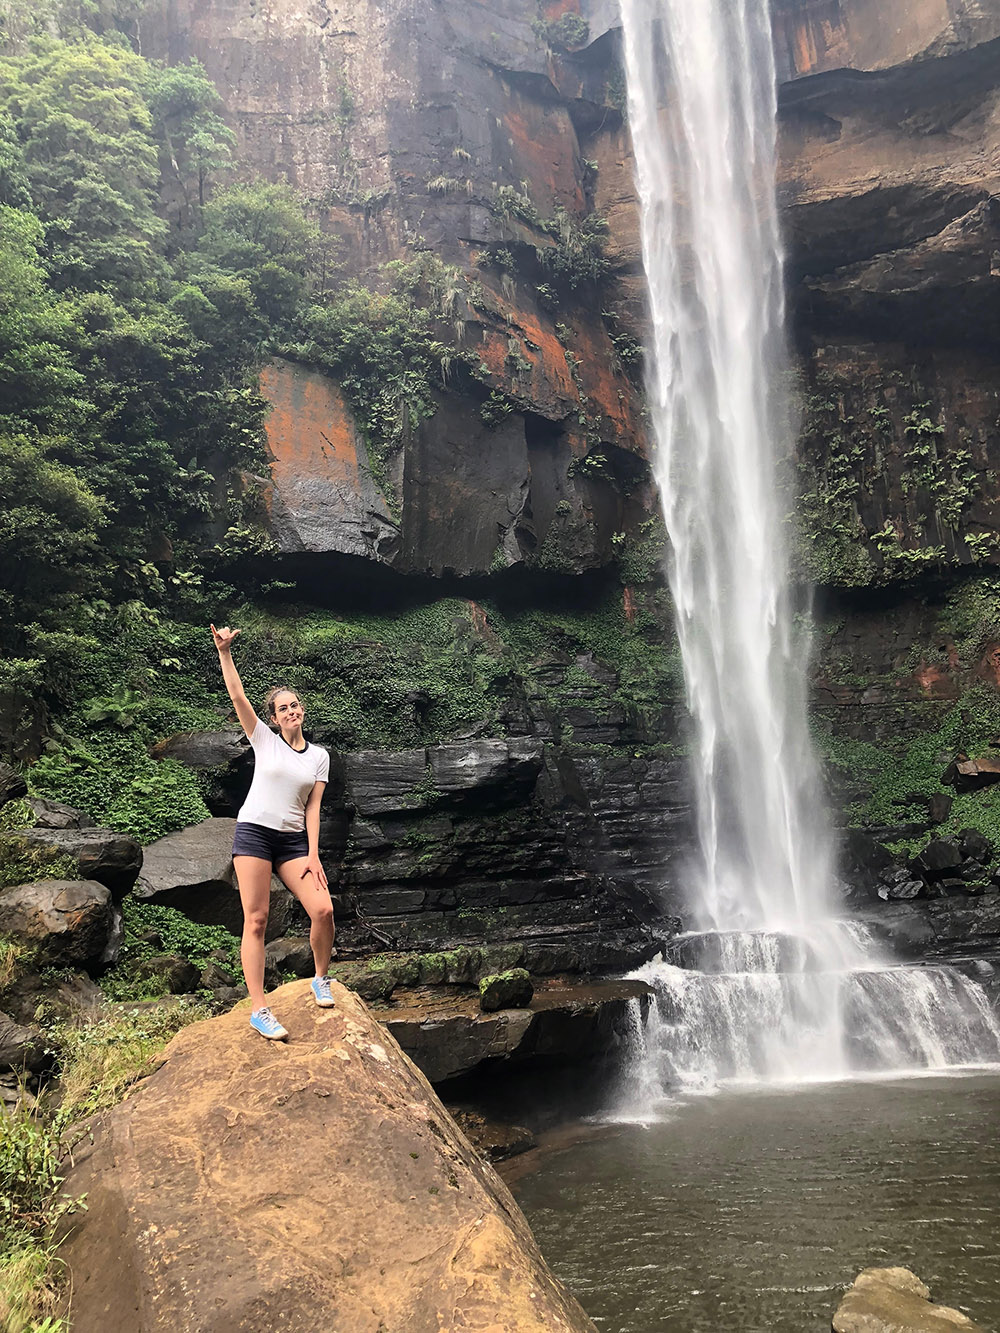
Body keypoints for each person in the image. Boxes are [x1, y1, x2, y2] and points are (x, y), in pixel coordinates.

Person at [210, 623, 335, 1040]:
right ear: (274, 718)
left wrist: (314, 854)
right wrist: (225, 652)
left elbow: (313, 808)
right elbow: (237, 696)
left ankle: (321, 978)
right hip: (255, 834)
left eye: (295, 705)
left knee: (323, 910)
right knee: (257, 919)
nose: (291, 711)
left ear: (302, 710)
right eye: (284, 708)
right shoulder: (264, 740)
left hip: (293, 841)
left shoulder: (319, 757)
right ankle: (259, 1009)